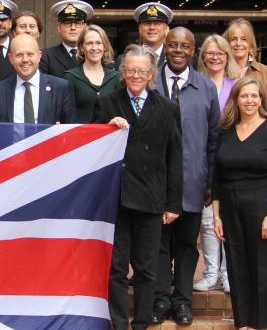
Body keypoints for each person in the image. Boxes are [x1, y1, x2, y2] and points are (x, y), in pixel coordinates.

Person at [94, 44, 182, 330]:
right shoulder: (107, 103)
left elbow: (175, 157)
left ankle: (142, 321)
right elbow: (91, 146)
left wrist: (172, 203)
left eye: (141, 71)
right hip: (116, 197)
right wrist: (106, 127)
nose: (135, 76)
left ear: (151, 73)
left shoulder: (168, 108)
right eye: (130, 70)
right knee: (116, 267)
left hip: (151, 197)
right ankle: (119, 323)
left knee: (146, 267)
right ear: (122, 72)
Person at [151, 27, 220, 325]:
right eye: (173, 45)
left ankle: (182, 301)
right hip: (155, 182)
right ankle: (159, 298)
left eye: (185, 46)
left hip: (193, 181)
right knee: (158, 245)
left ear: (194, 51)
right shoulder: (150, 82)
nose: (178, 51)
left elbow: (214, 139)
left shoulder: (205, 87)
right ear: (165, 47)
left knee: (187, 246)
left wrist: (211, 182)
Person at [212, 77, 267, 330]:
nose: (250, 100)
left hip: (260, 205)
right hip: (230, 207)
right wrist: (216, 216)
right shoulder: (226, 131)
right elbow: (217, 178)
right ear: (236, 100)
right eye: (244, 96)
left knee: (261, 270)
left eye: (254, 96)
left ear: (261, 100)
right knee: (237, 267)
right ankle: (242, 323)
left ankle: (261, 324)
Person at [193, 34, 240, 293]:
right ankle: (211, 272)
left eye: (220, 52)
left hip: (231, 158)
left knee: (228, 219)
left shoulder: (237, 84)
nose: (215, 57)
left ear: (227, 56)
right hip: (204, 158)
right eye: (209, 53)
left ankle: (227, 272)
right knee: (208, 220)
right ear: (202, 57)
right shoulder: (196, 83)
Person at [0, 34, 77, 124]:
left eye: (30, 54)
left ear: (39, 56)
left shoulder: (61, 88)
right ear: (11, 58)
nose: (25, 59)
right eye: (19, 55)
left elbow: (71, 129)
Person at [223, 18, 267, 121]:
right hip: (226, 133)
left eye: (244, 39)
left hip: (260, 134)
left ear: (250, 44)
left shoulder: (266, 72)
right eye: (233, 39)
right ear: (227, 43)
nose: (238, 43)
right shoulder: (220, 72)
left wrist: (266, 135)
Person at [64, 24, 120, 122]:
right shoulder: (70, 77)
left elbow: (120, 110)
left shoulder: (115, 77)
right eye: (89, 43)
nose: (94, 48)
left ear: (105, 47)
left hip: (110, 136)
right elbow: (67, 114)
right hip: (80, 135)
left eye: (98, 43)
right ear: (81, 47)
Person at [40, 0, 94, 78]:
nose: (73, 27)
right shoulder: (45, 56)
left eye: (78, 23)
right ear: (59, 27)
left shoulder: (94, 54)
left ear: (85, 27)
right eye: (67, 23)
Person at [117, 3, 173, 69]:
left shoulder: (174, 58)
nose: (152, 27)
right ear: (140, 28)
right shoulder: (124, 59)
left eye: (157, 23)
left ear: (166, 28)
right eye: (147, 23)